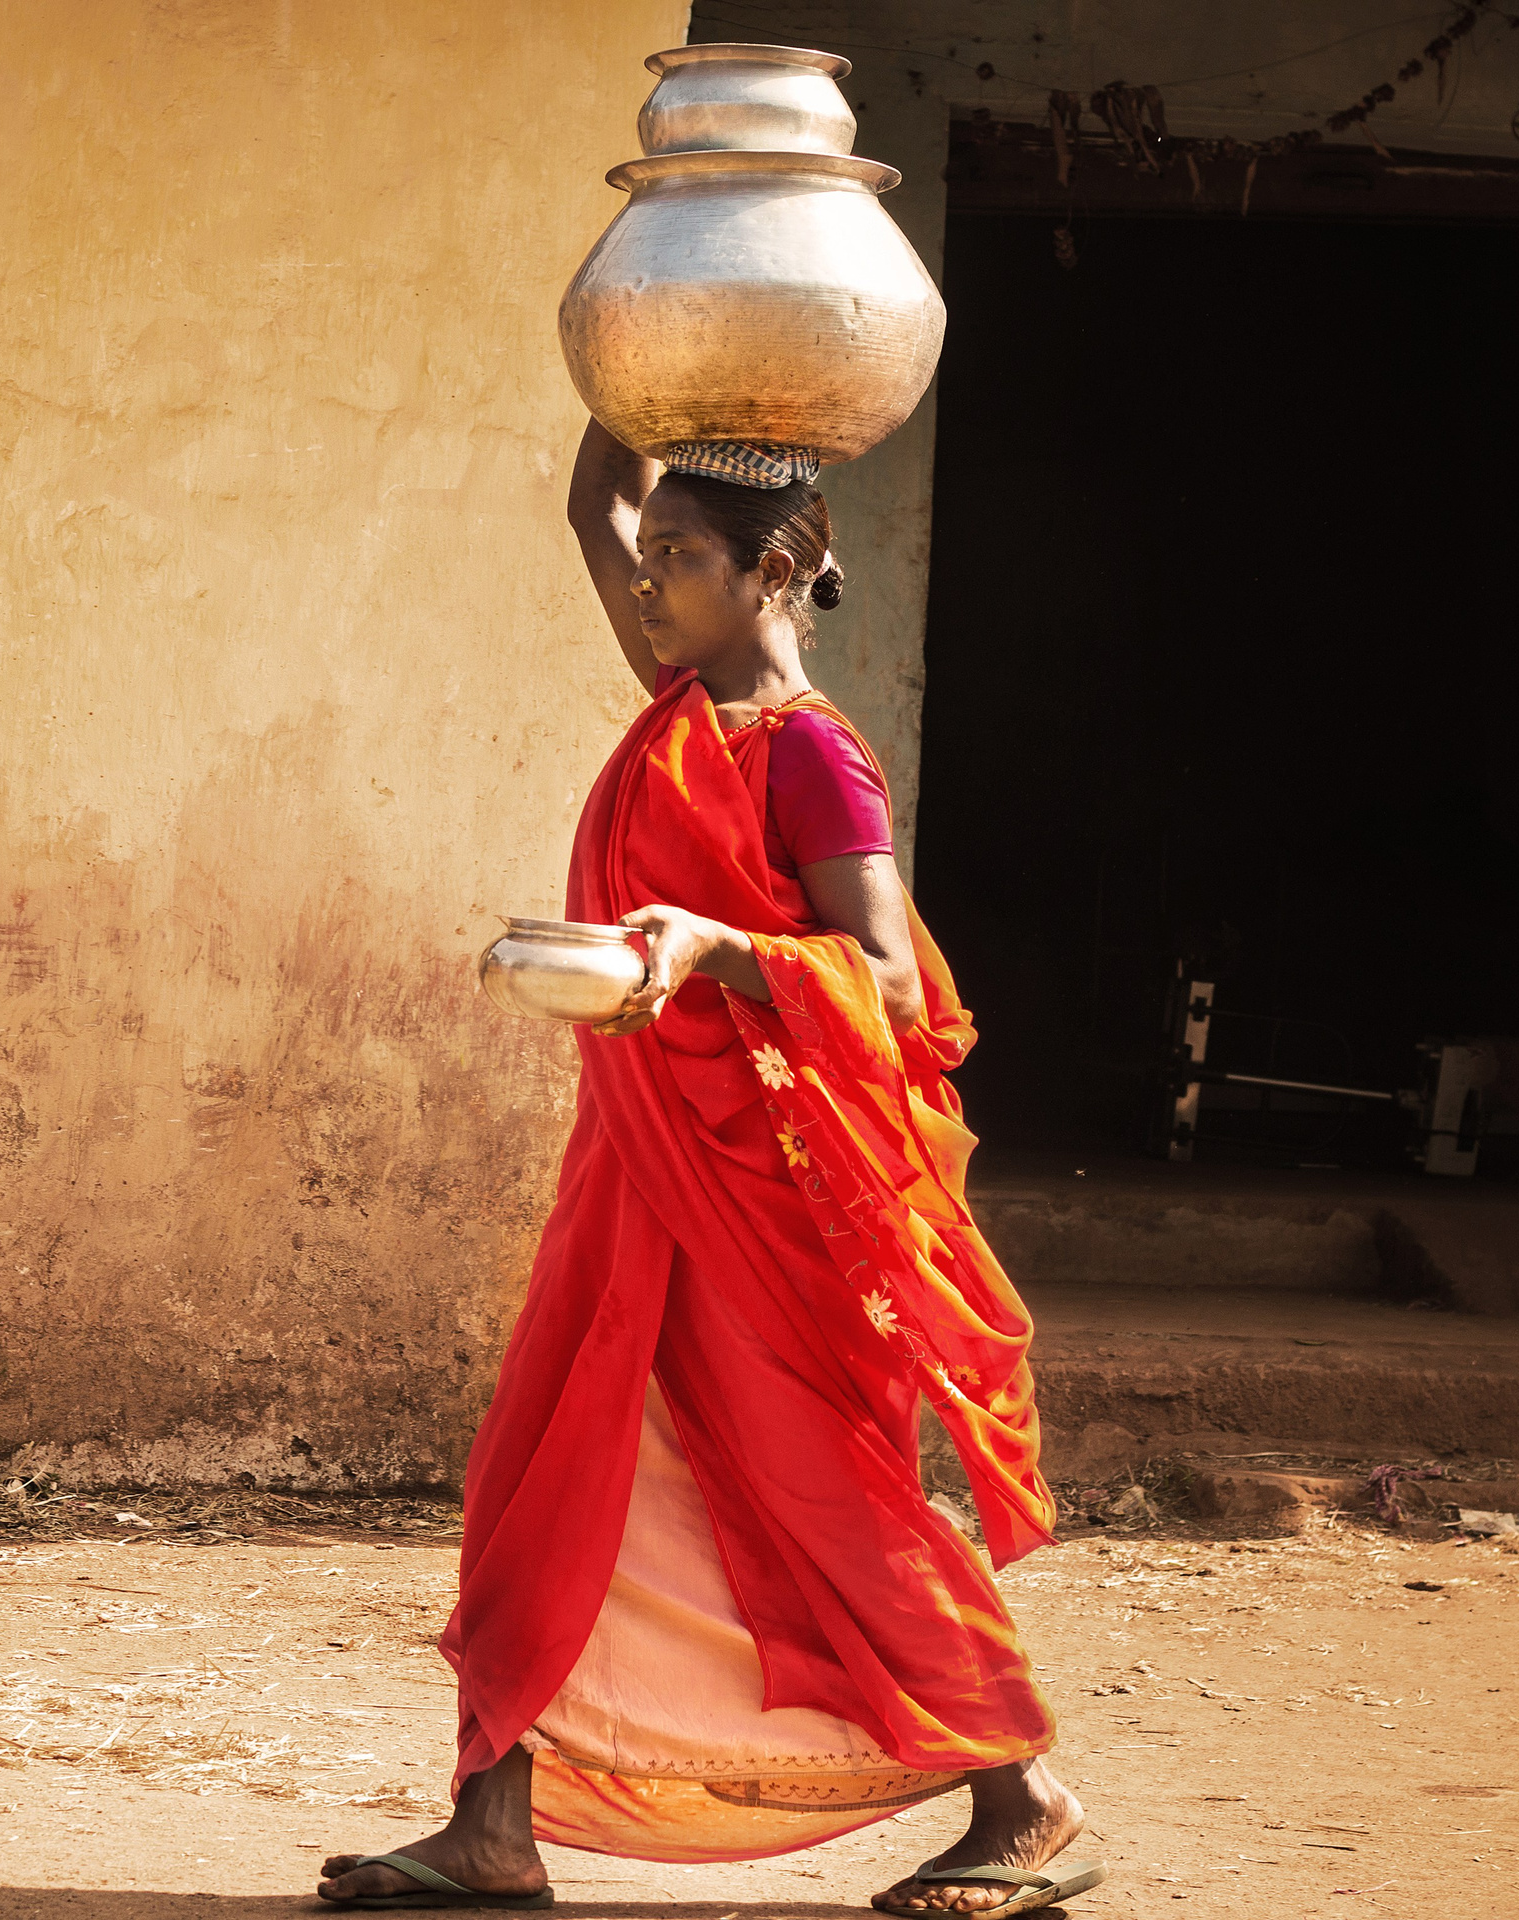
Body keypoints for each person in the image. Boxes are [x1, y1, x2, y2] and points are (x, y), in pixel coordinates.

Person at [315, 423, 1102, 1918]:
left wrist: (715, 947)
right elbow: (588, 494)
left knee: (820, 1498)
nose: (650, 578)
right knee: (539, 1478)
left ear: (779, 573)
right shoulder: (683, 695)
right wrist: (660, 365)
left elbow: (888, 983)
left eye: (683, 557)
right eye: (655, 551)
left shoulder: (811, 755)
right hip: (633, 1176)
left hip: (761, 1197)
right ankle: (495, 1824)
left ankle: (1022, 1795)